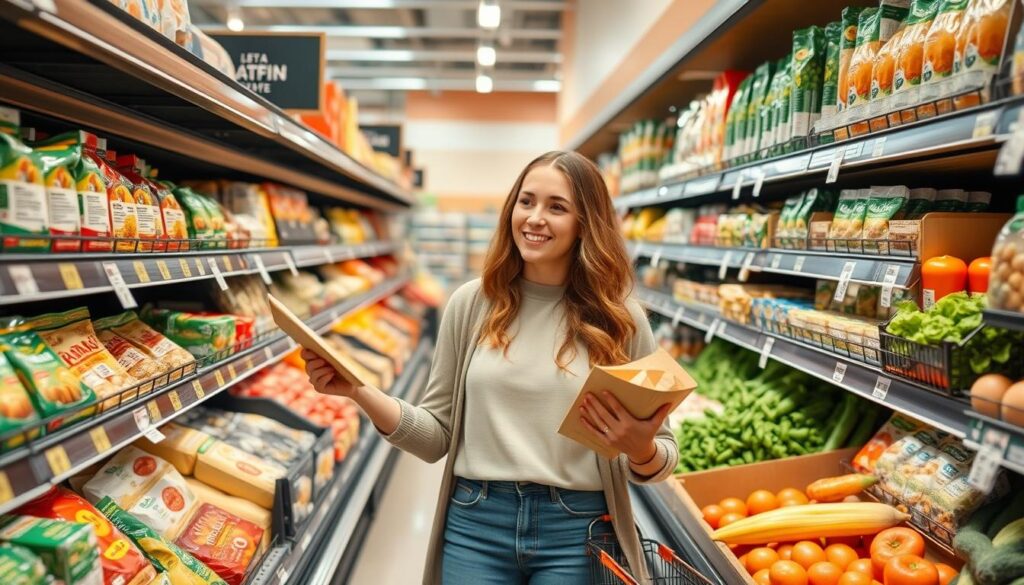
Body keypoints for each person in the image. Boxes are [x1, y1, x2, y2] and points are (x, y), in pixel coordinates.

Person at [301, 150, 678, 584]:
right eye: (526, 201)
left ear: (585, 225)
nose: (535, 217)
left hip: (578, 530)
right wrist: (359, 391)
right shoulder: (472, 304)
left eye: (556, 207)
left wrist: (640, 447)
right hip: (476, 523)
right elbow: (436, 437)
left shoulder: (621, 321)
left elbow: (661, 458)